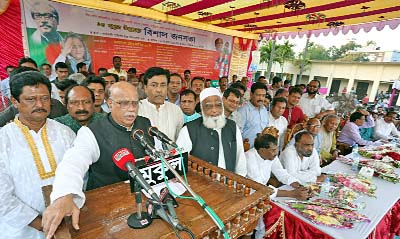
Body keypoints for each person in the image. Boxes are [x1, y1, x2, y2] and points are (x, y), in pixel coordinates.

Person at [42, 82, 154, 238]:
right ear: (109, 103)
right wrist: (64, 194)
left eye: (135, 103)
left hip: (145, 201)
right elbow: (73, 162)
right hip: (108, 209)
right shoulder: (91, 132)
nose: (131, 108)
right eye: (123, 103)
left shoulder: (145, 123)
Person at [0, 71, 75, 239]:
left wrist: (61, 221)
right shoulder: (3, 140)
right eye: (30, 99)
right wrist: (45, 225)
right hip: (21, 231)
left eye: (45, 98)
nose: (39, 104)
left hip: (67, 224)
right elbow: (2, 197)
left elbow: (78, 176)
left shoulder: (65, 133)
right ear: (14, 101)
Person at [246, 129, 310, 239]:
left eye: (277, 149)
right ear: (262, 150)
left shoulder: (271, 156)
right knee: (273, 215)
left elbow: (281, 173)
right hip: (248, 197)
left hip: (263, 194)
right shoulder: (249, 158)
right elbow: (260, 188)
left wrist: (298, 185)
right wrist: (292, 194)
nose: (276, 153)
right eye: (273, 150)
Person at [176, 88, 246, 176]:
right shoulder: (188, 130)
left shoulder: (232, 126)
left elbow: (240, 159)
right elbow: (179, 163)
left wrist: (240, 182)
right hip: (201, 186)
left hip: (228, 184)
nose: (214, 110)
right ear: (202, 108)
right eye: (208, 106)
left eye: (218, 105)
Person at [139, 67, 184, 141]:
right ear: (145, 88)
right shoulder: (138, 108)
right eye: (154, 85)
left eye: (163, 85)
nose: (159, 90)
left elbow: (179, 140)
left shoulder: (176, 110)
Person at [238, 82, 269, 148]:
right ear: (251, 94)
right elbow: (237, 133)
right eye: (258, 95)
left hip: (261, 151)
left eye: (263, 95)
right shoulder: (243, 111)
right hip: (246, 151)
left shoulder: (264, 110)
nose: (261, 98)